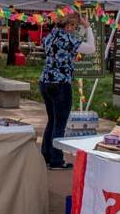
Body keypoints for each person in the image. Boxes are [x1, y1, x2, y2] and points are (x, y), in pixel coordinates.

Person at [39, 13, 95, 170]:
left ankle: (46, 155)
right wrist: (88, 27)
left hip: (45, 81)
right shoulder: (68, 38)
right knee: (60, 123)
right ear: (69, 26)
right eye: (74, 27)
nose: (74, 30)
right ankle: (56, 160)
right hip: (61, 83)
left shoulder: (50, 37)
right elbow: (90, 48)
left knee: (51, 120)